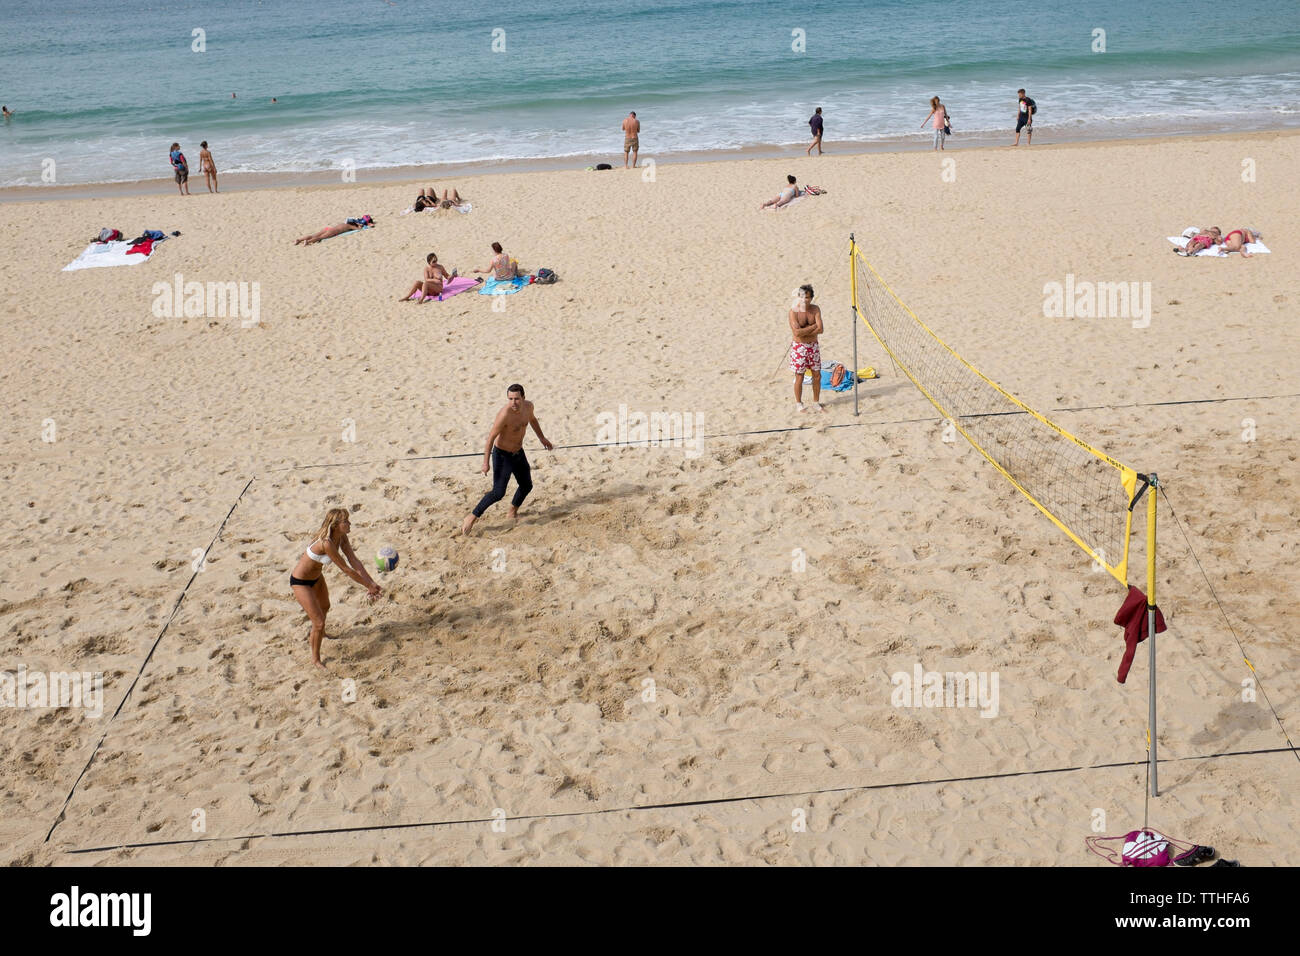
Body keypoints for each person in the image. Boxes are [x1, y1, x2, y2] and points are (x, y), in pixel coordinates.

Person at [288, 508, 381, 670]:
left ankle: (322, 635)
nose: (350, 523)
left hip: (316, 578)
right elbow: (346, 569)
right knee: (318, 622)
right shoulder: (326, 543)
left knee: (325, 607)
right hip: (300, 582)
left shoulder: (342, 537)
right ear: (336, 525)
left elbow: (354, 561)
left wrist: (371, 583)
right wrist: (367, 586)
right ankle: (316, 660)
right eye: (346, 521)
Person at [462, 385, 553, 535]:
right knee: (498, 493)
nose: (513, 403)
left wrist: (542, 438)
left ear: (523, 398)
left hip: (518, 452)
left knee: (526, 485)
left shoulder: (529, 407)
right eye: (510, 399)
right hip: (502, 455)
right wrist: (486, 463)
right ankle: (472, 516)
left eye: (516, 399)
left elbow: (533, 420)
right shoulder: (504, 414)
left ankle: (512, 512)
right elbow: (490, 438)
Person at [789, 284, 824, 412]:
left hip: (813, 346)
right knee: (799, 376)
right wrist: (812, 327)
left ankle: (816, 402)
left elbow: (821, 329)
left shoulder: (815, 309)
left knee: (817, 375)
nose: (804, 300)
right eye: (802, 297)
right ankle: (799, 403)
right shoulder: (794, 311)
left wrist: (805, 330)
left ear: (811, 298)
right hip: (799, 347)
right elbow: (797, 333)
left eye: (807, 297)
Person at [294, 215, 373, 244]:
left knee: (314, 235)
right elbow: (359, 229)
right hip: (333, 231)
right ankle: (307, 241)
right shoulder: (350, 226)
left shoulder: (345, 223)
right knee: (320, 238)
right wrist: (364, 226)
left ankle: (299, 240)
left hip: (329, 228)